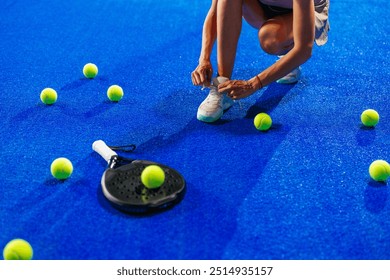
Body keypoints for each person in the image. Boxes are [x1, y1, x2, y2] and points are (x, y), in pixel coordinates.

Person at [191, 0, 330, 123]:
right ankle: (222, 84)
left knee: (270, 38)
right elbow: (216, 10)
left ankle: (288, 55)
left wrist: (254, 84)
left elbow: (304, 49)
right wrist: (204, 59)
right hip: (263, 7)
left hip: (307, 13)